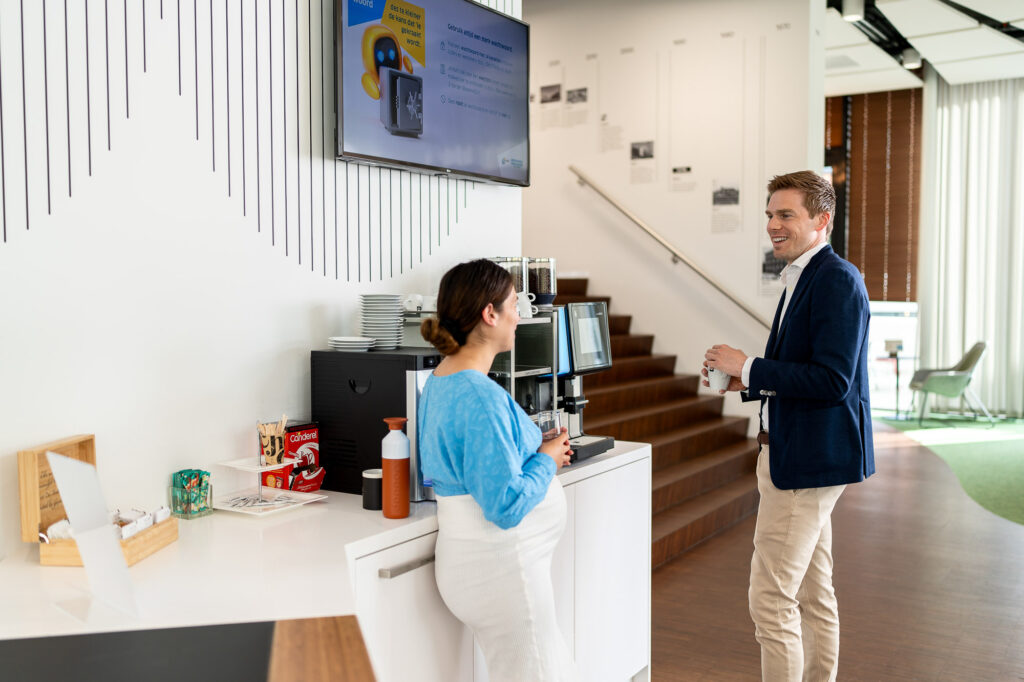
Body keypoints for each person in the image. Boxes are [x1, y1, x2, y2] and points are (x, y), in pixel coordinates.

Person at [703, 171, 874, 682]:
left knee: (770, 599)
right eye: (770, 215)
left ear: (821, 220)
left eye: (786, 215)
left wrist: (750, 364)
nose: (773, 226)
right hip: (798, 455)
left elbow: (832, 379)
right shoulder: (804, 276)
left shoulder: (836, 279)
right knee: (812, 591)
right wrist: (745, 382)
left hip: (805, 463)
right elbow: (808, 369)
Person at [418, 258, 576, 682]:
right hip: (504, 572)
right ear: (490, 314)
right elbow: (504, 505)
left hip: (481, 568)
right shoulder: (479, 396)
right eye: (513, 304)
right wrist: (548, 459)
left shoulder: (440, 382)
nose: (520, 314)